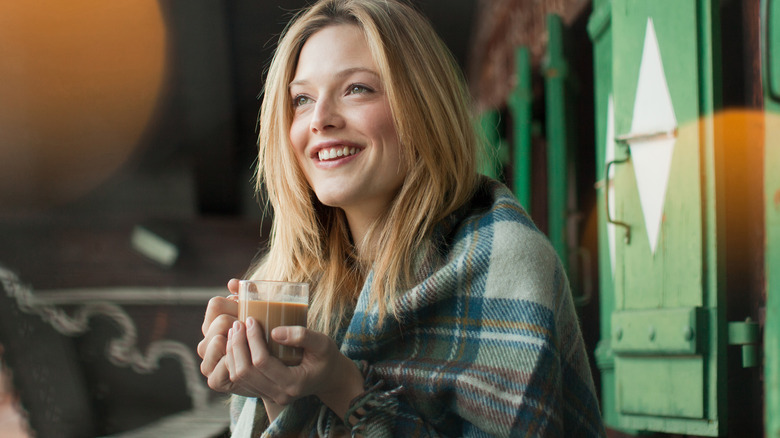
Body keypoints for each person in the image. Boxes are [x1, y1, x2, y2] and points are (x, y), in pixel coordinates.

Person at [198, 0, 606, 436]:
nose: (319, 119)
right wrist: (276, 393)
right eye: (301, 99)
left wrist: (344, 386)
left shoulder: (507, 262)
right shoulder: (284, 281)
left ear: (423, 105)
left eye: (357, 89)